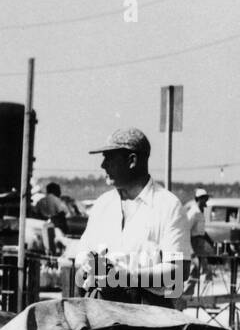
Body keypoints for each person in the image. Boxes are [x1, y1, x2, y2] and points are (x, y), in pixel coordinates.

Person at [65, 127, 192, 306]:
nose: (103, 165)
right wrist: (86, 268)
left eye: (109, 158)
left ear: (132, 160)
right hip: (101, 310)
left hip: (147, 315)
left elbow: (178, 273)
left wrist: (127, 277)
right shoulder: (103, 205)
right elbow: (82, 257)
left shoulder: (168, 206)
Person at [182, 187, 216, 295]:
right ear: (198, 199)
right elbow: (186, 231)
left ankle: (187, 298)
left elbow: (201, 231)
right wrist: (191, 252)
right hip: (193, 245)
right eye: (203, 198)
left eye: (206, 198)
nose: (205, 201)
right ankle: (205, 300)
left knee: (195, 273)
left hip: (200, 244)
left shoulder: (201, 212)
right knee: (204, 272)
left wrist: (210, 242)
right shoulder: (193, 212)